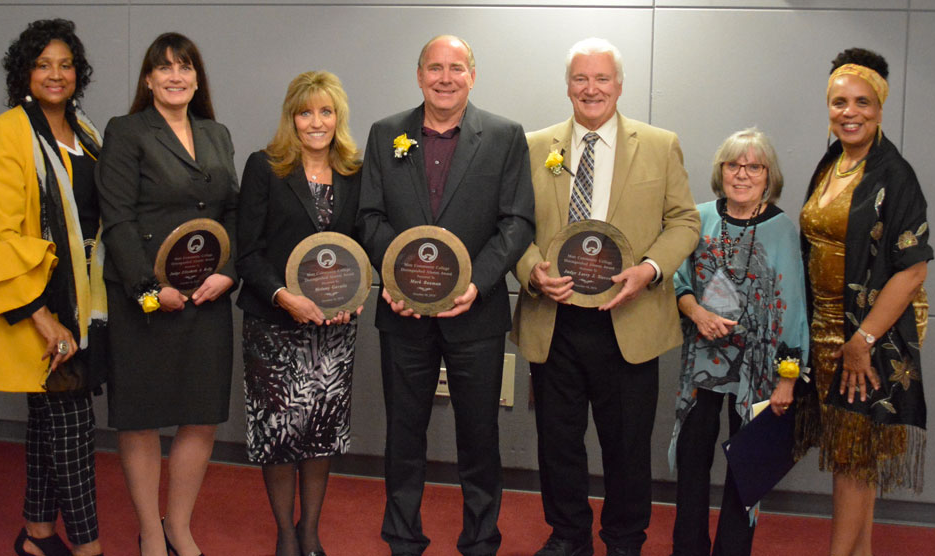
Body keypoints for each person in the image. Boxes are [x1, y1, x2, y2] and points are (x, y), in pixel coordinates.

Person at [510, 37, 699, 556]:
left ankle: (623, 539)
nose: (590, 89)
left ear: (619, 85)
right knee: (558, 442)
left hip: (629, 317)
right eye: (580, 79)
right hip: (556, 318)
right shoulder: (532, 146)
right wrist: (532, 272)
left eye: (601, 79)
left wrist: (651, 270)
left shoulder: (660, 144)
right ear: (567, 85)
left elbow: (684, 220)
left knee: (627, 445)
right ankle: (568, 535)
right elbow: (512, 226)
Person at [357, 34, 535, 556]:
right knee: (403, 436)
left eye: (456, 67)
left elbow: (516, 221)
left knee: (479, 438)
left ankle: (481, 540)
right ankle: (403, 538)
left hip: (475, 315)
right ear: (419, 76)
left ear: (472, 76)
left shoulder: (504, 136)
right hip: (403, 312)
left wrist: (474, 283)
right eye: (434, 67)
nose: (445, 77)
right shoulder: (386, 133)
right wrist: (399, 275)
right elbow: (369, 217)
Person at [0, 18, 105, 556]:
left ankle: (39, 537)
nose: (56, 74)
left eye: (65, 64)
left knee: (49, 422)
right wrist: (43, 317)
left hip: (83, 298)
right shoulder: (7, 133)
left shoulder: (84, 132)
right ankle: (89, 547)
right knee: (73, 426)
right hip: (37, 306)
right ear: (24, 71)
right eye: (43, 64)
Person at [96, 32, 238, 556]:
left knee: (200, 414)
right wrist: (151, 290)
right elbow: (119, 218)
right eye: (165, 68)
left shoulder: (216, 133)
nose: (176, 76)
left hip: (207, 298)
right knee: (140, 418)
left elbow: (233, 212)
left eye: (185, 67)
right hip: (147, 303)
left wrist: (229, 271)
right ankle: (151, 533)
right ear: (149, 79)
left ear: (197, 78)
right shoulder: (127, 131)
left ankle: (178, 524)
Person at [800, 48, 932, 556]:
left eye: (862, 102)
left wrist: (863, 341)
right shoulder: (833, 161)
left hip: (867, 333)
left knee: (854, 460)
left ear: (879, 106)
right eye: (839, 102)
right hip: (825, 327)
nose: (849, 112)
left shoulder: (894, 174)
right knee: (854, 458)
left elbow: (914, 268)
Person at [235, 70, 362, 556]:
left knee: (321, 429)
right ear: (292, 117)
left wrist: (355, 293)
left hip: (333, 330)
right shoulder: (266, 167)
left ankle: (310, 530)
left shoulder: (354, 170)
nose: (316, 122)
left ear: (338, 117)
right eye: (306, 112)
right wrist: (284, 297)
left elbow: (361, 245)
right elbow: (249, 253)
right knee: (280, 431)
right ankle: (285, 533)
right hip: (275, 328)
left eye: (325, 111)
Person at [668, 128, 809, 556]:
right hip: (701, 363)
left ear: (769, 175)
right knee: (692, 463)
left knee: (744, 469)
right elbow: (677, 278)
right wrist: (696, 312)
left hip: (760, 370)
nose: (742, 174)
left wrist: (789, 379)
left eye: (754, 166)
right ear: (721, 171)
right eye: (733, 164)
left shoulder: (782, 229)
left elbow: (793, 310)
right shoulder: (699, 217)